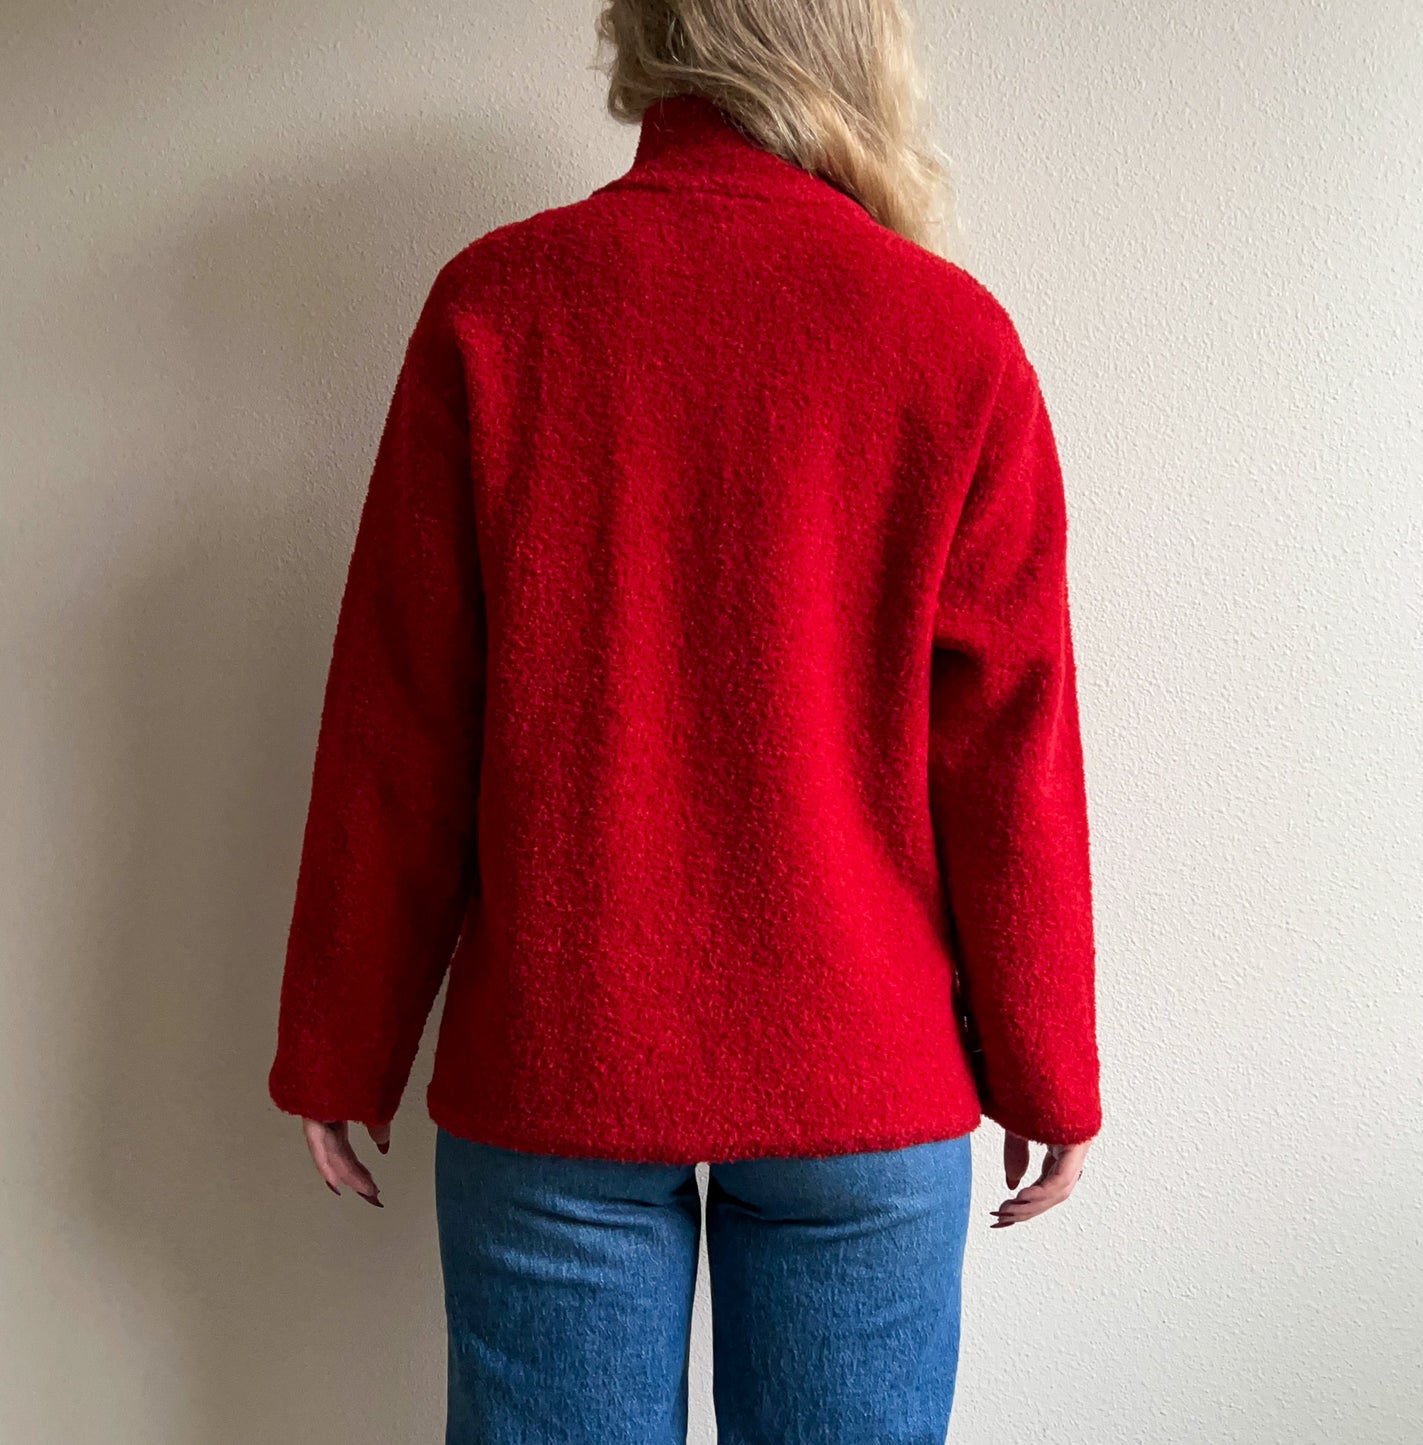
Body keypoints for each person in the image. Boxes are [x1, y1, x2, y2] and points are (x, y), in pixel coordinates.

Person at [267, 1, 1103, 1439]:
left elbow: (403, 722)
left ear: (646, 43)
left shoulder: (500, 304)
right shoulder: (947, 338)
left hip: (560, 1063)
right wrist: (1046, 1063)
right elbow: (1004, 751)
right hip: (864, 1071)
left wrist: (345, 1041)